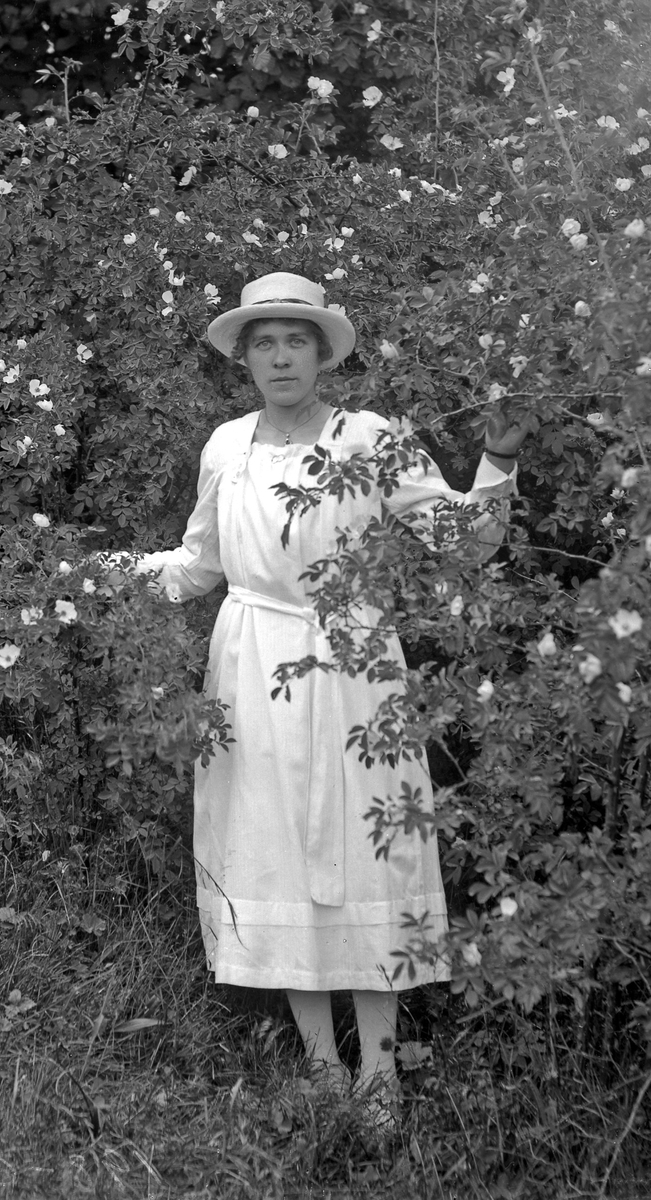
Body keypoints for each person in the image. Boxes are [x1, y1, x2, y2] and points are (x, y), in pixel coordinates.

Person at [116, 272, 525, 1124]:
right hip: (249, 668)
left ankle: (380, 1074)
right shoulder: (225, 447)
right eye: (263, 343)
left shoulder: (367, 437)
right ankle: (321, 1067)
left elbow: (464, 541)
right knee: (271, 846)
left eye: (294, 341)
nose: (279, 357)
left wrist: (498, 460)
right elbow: (196, 567)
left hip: (353, 666)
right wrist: (99, 575)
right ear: (244, 358)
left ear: (321, 353)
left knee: (367, 846)